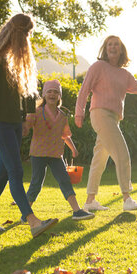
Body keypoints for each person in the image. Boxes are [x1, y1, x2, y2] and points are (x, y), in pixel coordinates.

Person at [0, 13, 58, 238]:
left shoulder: (22, 59)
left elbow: (28, 90)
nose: (28, 38)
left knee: (3, 173)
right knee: (16, 170)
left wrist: (29, 116)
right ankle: (33, 221)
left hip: (15, 124)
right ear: (18, 33)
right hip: (0, 123)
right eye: (27, 34)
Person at [75, 35, 137, 212]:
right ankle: (126, 198)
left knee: (99, 159)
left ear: (121, 49)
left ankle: (90, 200)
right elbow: (84, 90)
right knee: (122, 153)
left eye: (116, 44)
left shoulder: (125, 74)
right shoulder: (98, 67)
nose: (113, 47)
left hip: (114, 118)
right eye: (109, 44)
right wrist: (79, 113)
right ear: (105, 48)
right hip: (100, 114)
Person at [22, 79, 94, 221]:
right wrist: (23, 126)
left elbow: (65, 135)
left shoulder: (62, 116)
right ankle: (26, 214)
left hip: (56, 154)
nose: (52, 94)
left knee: (64, 180)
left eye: (56, 92)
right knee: (36, 183)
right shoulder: (36, 112)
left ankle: (77, 211)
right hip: (39, 154)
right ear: (44, 94)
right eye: (49, 91)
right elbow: (26, 127)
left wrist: (73, 148)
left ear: (59, 96)